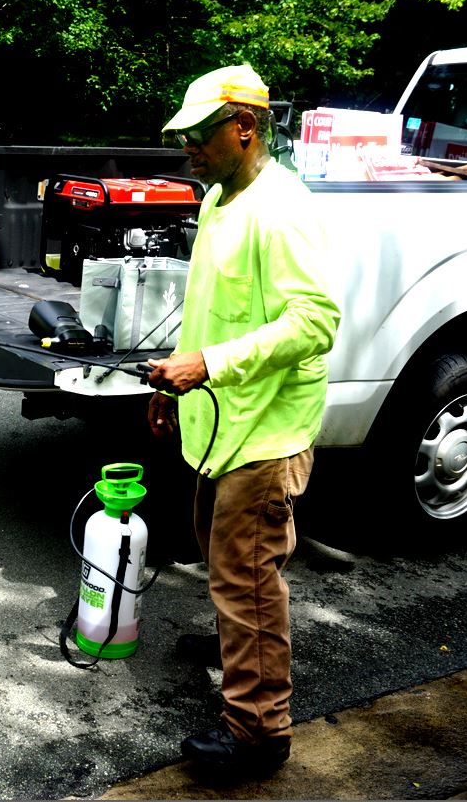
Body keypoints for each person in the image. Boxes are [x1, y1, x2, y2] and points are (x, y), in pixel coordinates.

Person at [145, 65, 341, 771]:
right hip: (224, 419)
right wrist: (174, 383)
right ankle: (240, 643)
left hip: (267, 428)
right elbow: (206, 310)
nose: (188, 150)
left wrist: (210, 368)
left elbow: (314, 323)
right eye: (184, 139)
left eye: (199, 137)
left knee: (247, 575)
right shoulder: (220, 198)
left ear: (245, 128)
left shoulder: (282, 209)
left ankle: (259, 732)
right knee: (223, 557)